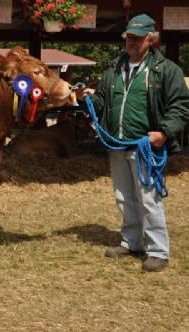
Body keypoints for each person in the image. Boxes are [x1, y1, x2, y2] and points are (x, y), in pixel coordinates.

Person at [76, 14, 189, 272]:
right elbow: (104, 103)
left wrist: (164, 132)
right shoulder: (113, 70)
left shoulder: (167, 70)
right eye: (129, 37)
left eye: (138, 38)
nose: (132, 42)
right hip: (118, 146)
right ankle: (131, 241)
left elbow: (181, 107)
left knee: (149, 198)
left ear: (151, 39)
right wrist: (87, 100)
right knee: (124, 197)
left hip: (146, 146)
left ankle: (158, 250)